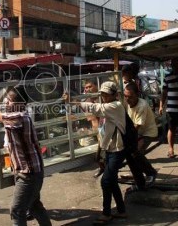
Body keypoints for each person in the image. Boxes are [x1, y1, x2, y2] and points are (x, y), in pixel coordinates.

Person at [64, 81, 128, 224]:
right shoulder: (108, 106)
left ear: (115, 95)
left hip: (117, 150)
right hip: (109, 149)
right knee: (111, 181)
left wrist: (74, 101)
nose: (104, 97)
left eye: (106, 95)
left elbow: (94, 107)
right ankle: (121, 210)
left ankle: (106, 213)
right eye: (103, 94)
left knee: (106, 181)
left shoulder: (115, 106)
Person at [0, 80, 52, 226]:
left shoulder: (18, 117)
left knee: (17, 210)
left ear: (18, 104)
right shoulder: (18, 115)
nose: (6, 102)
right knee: (34, 205)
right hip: (28, 171)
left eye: (9, 100)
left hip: (28, 174)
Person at [123, 82, 158, 190]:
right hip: (136, 132)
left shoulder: (142, 105)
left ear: (137, 95)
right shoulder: (125, 102)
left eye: (131, 97)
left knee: (135, 152)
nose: (128, 99)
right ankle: (138, 177)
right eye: (126, 96)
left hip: (148, 132)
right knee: (130, 154)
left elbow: (136, 126)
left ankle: (151, 173)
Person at [80, 80, 104, 178]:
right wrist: (99, 136)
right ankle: (104, 169)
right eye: (86, 88)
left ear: (96, 86)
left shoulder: (103, 97)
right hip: (100, 130)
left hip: (112, 127)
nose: (87, 89)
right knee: (99, 156)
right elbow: (93, 120)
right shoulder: (87, 102)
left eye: (90, 86)